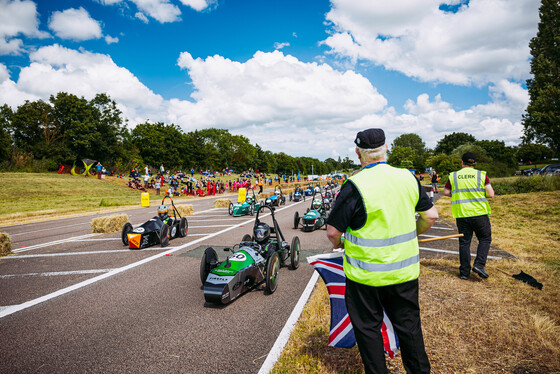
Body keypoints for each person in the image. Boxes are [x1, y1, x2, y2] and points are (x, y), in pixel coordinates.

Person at [326, 128, 438, 374]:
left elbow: (333, 232)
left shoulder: (354, 185)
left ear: (358, 153)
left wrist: (342, 245)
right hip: (404, 273)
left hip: (365, 278)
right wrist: (412, 233)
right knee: (409, 327)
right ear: (386, 148)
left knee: (368, 329)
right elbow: (431, 216)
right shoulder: (408, 178)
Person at [443, 152, 494, 280]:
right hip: (479, 213)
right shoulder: (481, 175)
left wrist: (457, 194)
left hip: (462, 214)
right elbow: (491, 194)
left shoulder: (453, 176)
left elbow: (446, 192)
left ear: (462, 162)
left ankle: (464, 273)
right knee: (485, 238)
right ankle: (479, 264)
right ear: (474, 163)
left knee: (464, 242)